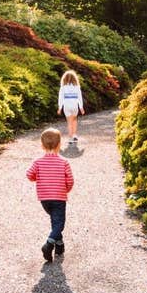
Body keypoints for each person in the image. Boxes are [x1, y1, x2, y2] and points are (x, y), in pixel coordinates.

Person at [26, 128, 75, 262]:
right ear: (59, 145)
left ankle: (59, 245)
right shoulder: (64, 162)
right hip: (59, 197)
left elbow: (29, 174)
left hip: (44, 199)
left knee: (55, 221)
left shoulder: (38, 162)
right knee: (59, 223)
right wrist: (65, 190)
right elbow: (70, 180)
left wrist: (38, 178)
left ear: (42, 145)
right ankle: (48, 244)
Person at [57, 70, 85, 143]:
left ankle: (70, 138)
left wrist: (60, 108)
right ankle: (74, 135)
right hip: (75, 106)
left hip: (67, 105)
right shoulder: (77, 86)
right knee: (74, 120)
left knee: (69, 122)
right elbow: (79, 97)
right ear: (75, 78)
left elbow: (61, 98)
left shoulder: (63, 87)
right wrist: (81, 107)